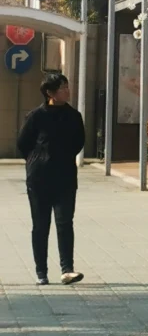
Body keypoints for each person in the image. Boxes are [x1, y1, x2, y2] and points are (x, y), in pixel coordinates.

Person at [17, 73, 85, 286]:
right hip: (39, 178)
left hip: (65, 177)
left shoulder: (74, 116)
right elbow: (23, 144)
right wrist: (37, 160)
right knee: (41, 225)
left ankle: (67, 269)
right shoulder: (36, 116)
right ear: (50, 93)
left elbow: (79, 142)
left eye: (67, 86)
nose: (67, 91)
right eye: (62, 88)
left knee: (65, 223)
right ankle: (41, 272)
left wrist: (62, 157)